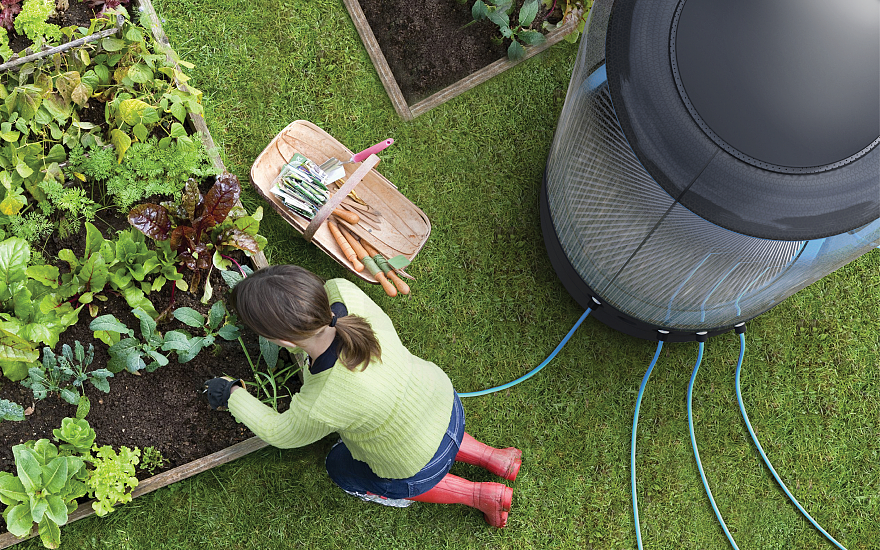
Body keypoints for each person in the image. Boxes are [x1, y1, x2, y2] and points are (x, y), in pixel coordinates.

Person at [204, 264, 522, 527]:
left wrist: (231, 393)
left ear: (284, 341)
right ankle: (496, 458)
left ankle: (480, 495)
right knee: (421, 428)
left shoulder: (322, 400)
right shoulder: (343, 291)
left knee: (339, 467)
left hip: (415, 464)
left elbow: (280, 432)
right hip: (444, 403)